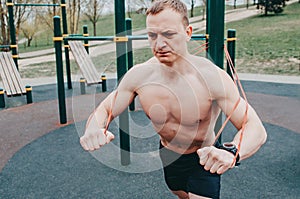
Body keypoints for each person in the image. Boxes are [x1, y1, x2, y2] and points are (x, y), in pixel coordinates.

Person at [80, 0, 267, 198]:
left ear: (187, 33)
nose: (159, 44)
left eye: (169, 34)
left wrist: (232, 152)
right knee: (180, 193)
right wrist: (93, 127)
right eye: (152, 35)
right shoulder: (139, 76)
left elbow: (255, 127)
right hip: (169, 156)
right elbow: (106, 109)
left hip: (203, 158)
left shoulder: (212, 78)